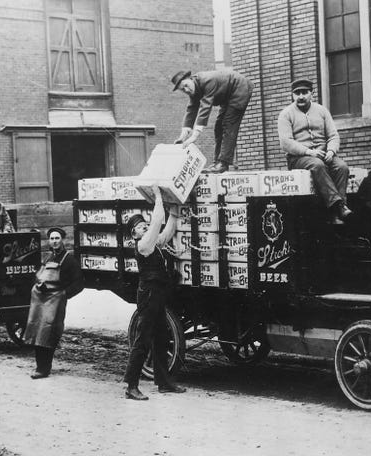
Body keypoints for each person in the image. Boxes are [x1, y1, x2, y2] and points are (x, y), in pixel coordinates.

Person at [123, 186, 185, 400]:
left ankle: (164, 382)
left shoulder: (154, 244)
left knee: (160, 337)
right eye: (141, 227)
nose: (145, 228)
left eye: (144, 225)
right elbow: (158, 221)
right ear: (134, 234)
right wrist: (158, 197)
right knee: (142, 339)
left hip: (157, 294)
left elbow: (166, 230)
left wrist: (175, 208)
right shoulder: (143, 245)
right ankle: (131, 386)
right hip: (148, 295)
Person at [278, 79, 352, 224]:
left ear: (312, 93)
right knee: (317, 165)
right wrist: (308, 152)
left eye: (304, 92)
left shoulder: (322, 111)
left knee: (342, 167)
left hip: (324, 154)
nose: (301, 96)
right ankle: (338, 206)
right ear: (292, 95)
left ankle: (337, 212)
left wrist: (331, 150)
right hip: (298, 158)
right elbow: (285, 142)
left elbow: (333, 135)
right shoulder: (286, 114)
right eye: (297, 93)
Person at [23, 227, 83, 379]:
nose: (54, 241)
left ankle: (44, 368)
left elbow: (79, 283)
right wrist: (38, 285)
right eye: (52, 238)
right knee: (37, 330)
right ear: (49, 241)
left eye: (57, 238)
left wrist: (64, 294)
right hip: (40, 299)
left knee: (48, 332)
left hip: (55, 301)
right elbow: (38, 276)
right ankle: (39, 366)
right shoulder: (48, 258)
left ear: (62, 240)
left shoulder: (69, 260)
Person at [172, 68, 254, 173]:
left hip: (240, 89)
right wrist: (183, 136)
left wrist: (194, 136)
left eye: (186, 86)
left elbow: (205, 107)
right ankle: (217, 163)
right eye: (183, 90)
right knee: (218, 128)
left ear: (191, 78)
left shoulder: (206, 80)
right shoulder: (194, 88)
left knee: (228, 124)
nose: (186, 90)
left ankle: (223, 163)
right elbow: (192, 109)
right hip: (228, 97)